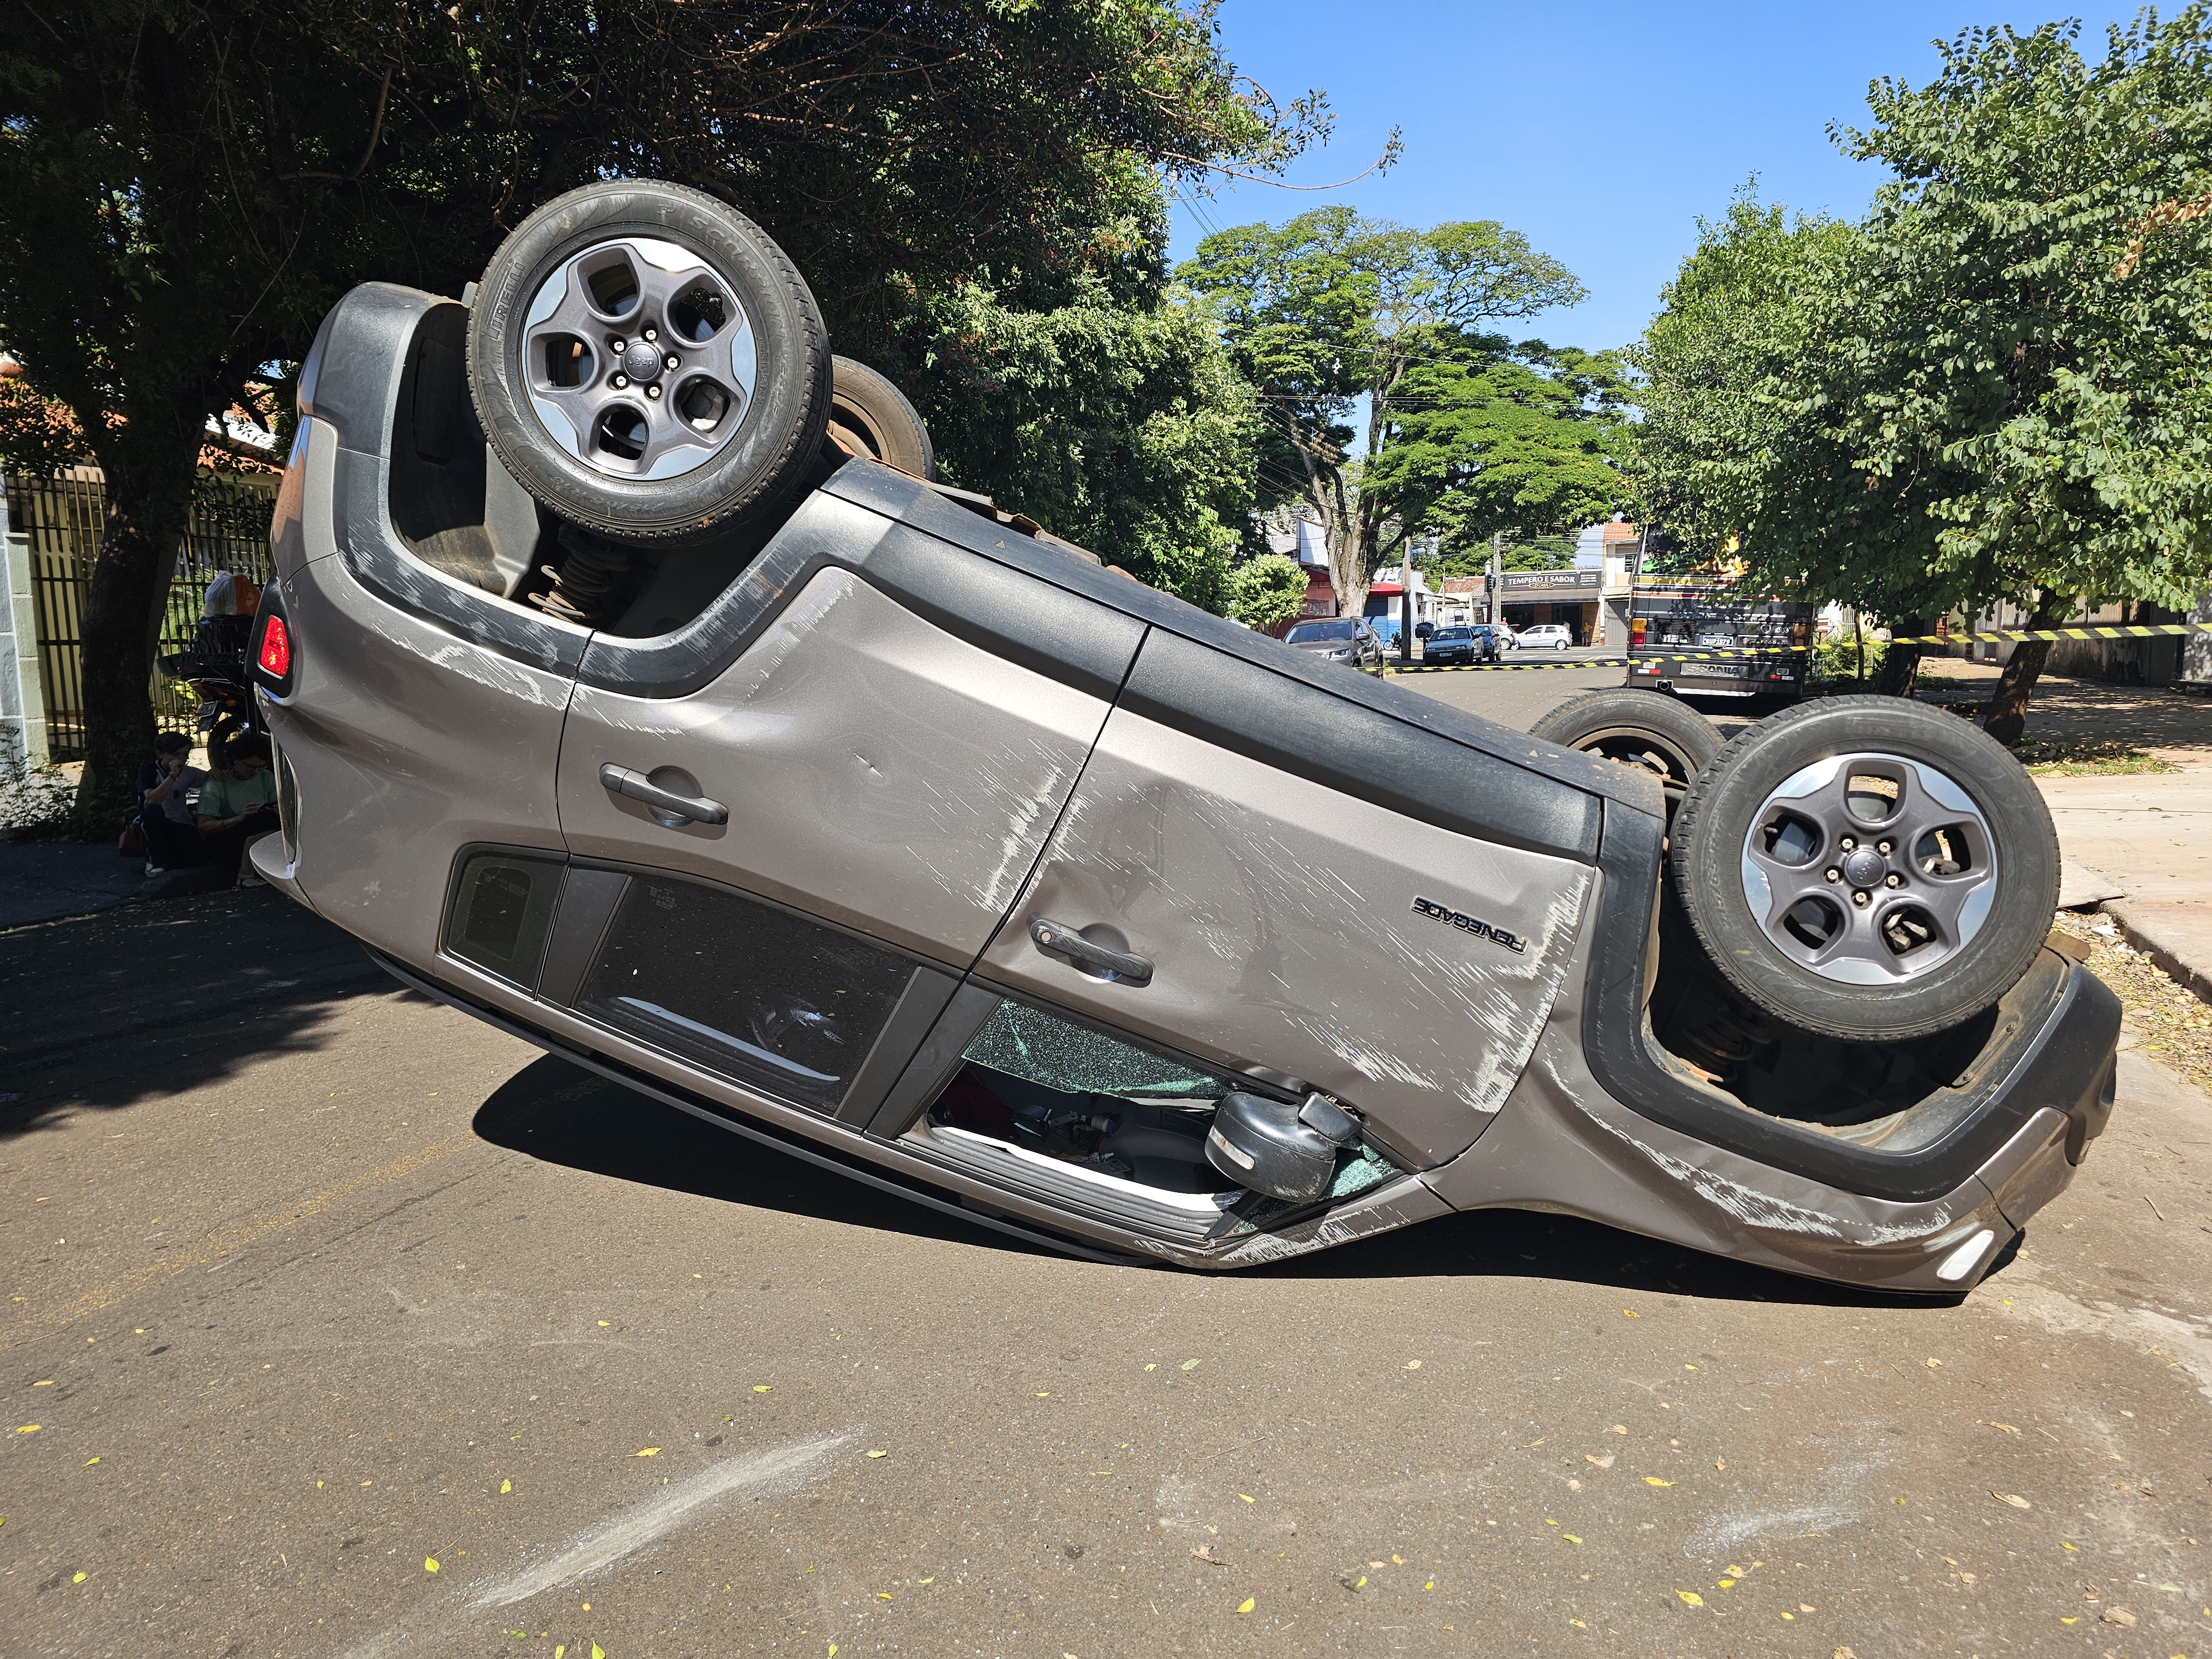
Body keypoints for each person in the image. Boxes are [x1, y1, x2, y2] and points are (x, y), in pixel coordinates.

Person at [195, 734, 279, 884]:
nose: (255, 772)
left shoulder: (266, 778)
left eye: (261, 767)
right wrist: (240, 818)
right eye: (250, 766)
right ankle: (245, 875)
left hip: (260, 836)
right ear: (235, 759)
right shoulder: (216, 784)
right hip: (225, 844)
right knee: (263, 819)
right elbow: (203, 827)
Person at [135, 733, 207, 874]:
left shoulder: (189, 772)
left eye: (185, 754)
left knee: (197, 859)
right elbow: (152, 799)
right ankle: (154, 860)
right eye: (175, 755)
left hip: (180, 822)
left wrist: (216, 773)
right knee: (153, 811)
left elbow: (208, 779)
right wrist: (172, 776)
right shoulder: (149, 770)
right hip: (156, 821)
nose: (181, 759)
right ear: (160, 754)